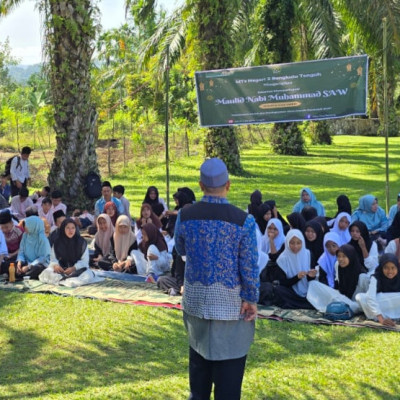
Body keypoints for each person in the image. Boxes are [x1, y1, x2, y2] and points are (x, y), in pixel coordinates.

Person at [174, 158, 259, 400]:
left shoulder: (186, 215)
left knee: (198, 381)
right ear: (228, 185)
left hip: (196, 303)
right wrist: (251, 299)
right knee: (228, 386)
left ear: (200, 186)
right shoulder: (243, 220)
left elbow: (180, 248)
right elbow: (249, 265)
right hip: (231, 307)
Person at [307, 244, 369, 314]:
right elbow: (337, 287)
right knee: (313, 284)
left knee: (340, 300)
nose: (340, 259)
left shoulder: (363, 277)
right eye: (339, 256)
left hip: (355, 305)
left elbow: (368, 299)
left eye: (344, 256)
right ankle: (337, 306)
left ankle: (339, 307)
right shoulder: (338, 265)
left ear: (351, 257)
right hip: (341, 298)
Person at [39, 218, 97, 287]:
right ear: (63, 229)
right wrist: (56, 266)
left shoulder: (81, 242)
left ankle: (65, 280)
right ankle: (65, 280)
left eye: (73, 228)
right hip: (61, 271)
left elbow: (85, 261)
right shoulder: (57, 242)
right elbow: (53, 258)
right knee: (46, 272)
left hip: (77, 271)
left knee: (88, 274)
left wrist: (74, 268)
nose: (71, 230)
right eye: (68, 228)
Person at [270, 229, 316, 309]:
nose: (295, 246)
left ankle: (301, 303)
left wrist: (311, 276)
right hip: (291, 292)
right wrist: (297, 277)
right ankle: (304, 304)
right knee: (278, 290)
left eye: (298, 243)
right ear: (287, 243)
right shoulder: (282, 259)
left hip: (308, 291)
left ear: (303, 243)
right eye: (292, 243)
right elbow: (282, 283)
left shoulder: (308, 254)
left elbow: (310, 280)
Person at [356, 253, 400, 326]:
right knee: (360, 297)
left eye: (393, 268)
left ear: (397, 268)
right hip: (379, 302)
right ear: (381, 267)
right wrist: (381, 319)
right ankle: (380, 315)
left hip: (396, 301)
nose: (390, 271)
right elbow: (370, 297)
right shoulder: (376, 277)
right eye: (386, 268)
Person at [0, 210, 24, 275]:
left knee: (17, 265)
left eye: (6, 227)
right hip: (5, 257)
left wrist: (12, 255)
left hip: (17, 255)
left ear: (11, 223)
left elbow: (23, 247)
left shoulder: (19, 230)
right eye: (2, 227)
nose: (4, 230)